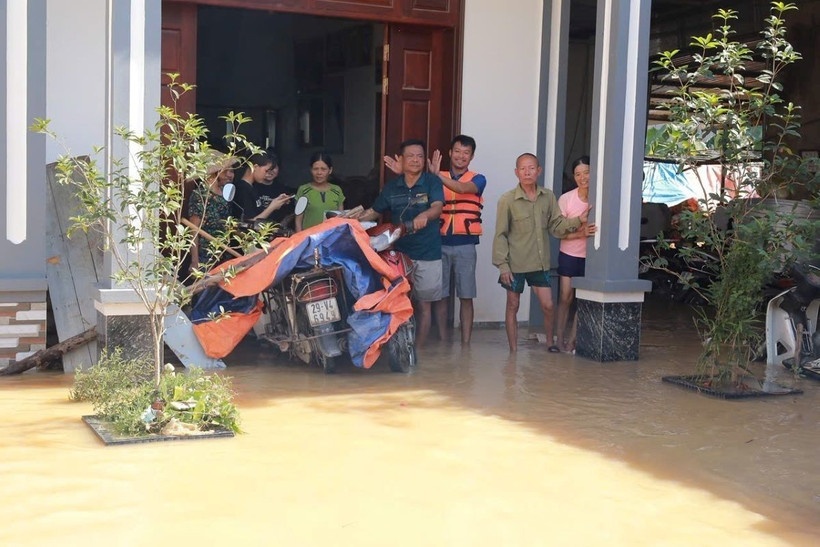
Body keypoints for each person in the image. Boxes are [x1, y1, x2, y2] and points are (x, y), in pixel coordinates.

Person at [492, 153, 595, 353]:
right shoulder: (507, 200)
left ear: (539, 171)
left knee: (548, 305)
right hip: (515, 263)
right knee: (513, 305)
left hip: (539, 263)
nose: (527, 172)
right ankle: (513, 351)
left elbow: (556, 226)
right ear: (516, 173)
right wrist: (502, 266)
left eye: (531, 168)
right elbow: (500, 234)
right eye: (523, 169)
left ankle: (550, 343)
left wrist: (578, 221)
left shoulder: (548, 197)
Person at [354, 139, 445, 348]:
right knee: (397, 301)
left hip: (428, 252)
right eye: (411, 156)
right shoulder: (392, 187)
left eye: (420, 156)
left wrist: (424, 216)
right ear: (401, 160)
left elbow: (437, 207)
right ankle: (397, 345)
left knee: (424, 305)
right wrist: (351, 220)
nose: (416, 160)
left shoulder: (432, 182)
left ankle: (418, 349)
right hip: (399, 254)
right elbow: (375, 211)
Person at [430, 135, 486, 345]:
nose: (461, 156)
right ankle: (444, 340)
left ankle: (465, 345)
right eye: (457, 151)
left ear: (471, 156)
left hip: (466, 245)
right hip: (440, 242)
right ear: (450, 153)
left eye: (466, 152)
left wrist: (437, 176)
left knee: (466, 295)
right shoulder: (435, 176)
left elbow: (462, 189)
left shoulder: (479, 178)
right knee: (441, 295)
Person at [555, 156, 596, 353]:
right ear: (574, 177)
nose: (583, 178)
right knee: (565, 296)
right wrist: (581, 232)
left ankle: (572, 340)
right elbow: (559, 232)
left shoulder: (599, 199)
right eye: (578, 174)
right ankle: (559, 338)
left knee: (583, 298)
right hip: (569, 254)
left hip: (591, 257)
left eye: (587, 172)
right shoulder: (566, 199)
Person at [187, 151, 238, 273]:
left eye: (232, 171)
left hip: (224, 253)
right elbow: (193, 229)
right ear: (213, 174)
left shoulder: (225, 194)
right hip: (206, 254)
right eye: (226, 171)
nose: (230, 175)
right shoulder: (200, 195)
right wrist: (195, 261)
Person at [232, 152, 292, 222]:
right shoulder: (242, 189)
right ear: (255, 167)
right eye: (266, 171)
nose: (267, 174)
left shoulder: (251, 187)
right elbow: (248, 223)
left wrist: (276, 202)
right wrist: (272, 207)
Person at [295, 152, 345, 231]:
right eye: (315, 169)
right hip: (310, 238)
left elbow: (341, 217)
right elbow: (298, 219)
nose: (319, 173)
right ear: (311, 170)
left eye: (323, 169)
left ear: (330, 170)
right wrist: (300, 239)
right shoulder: (303, 190)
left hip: (330, 237)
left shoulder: (337, 190)